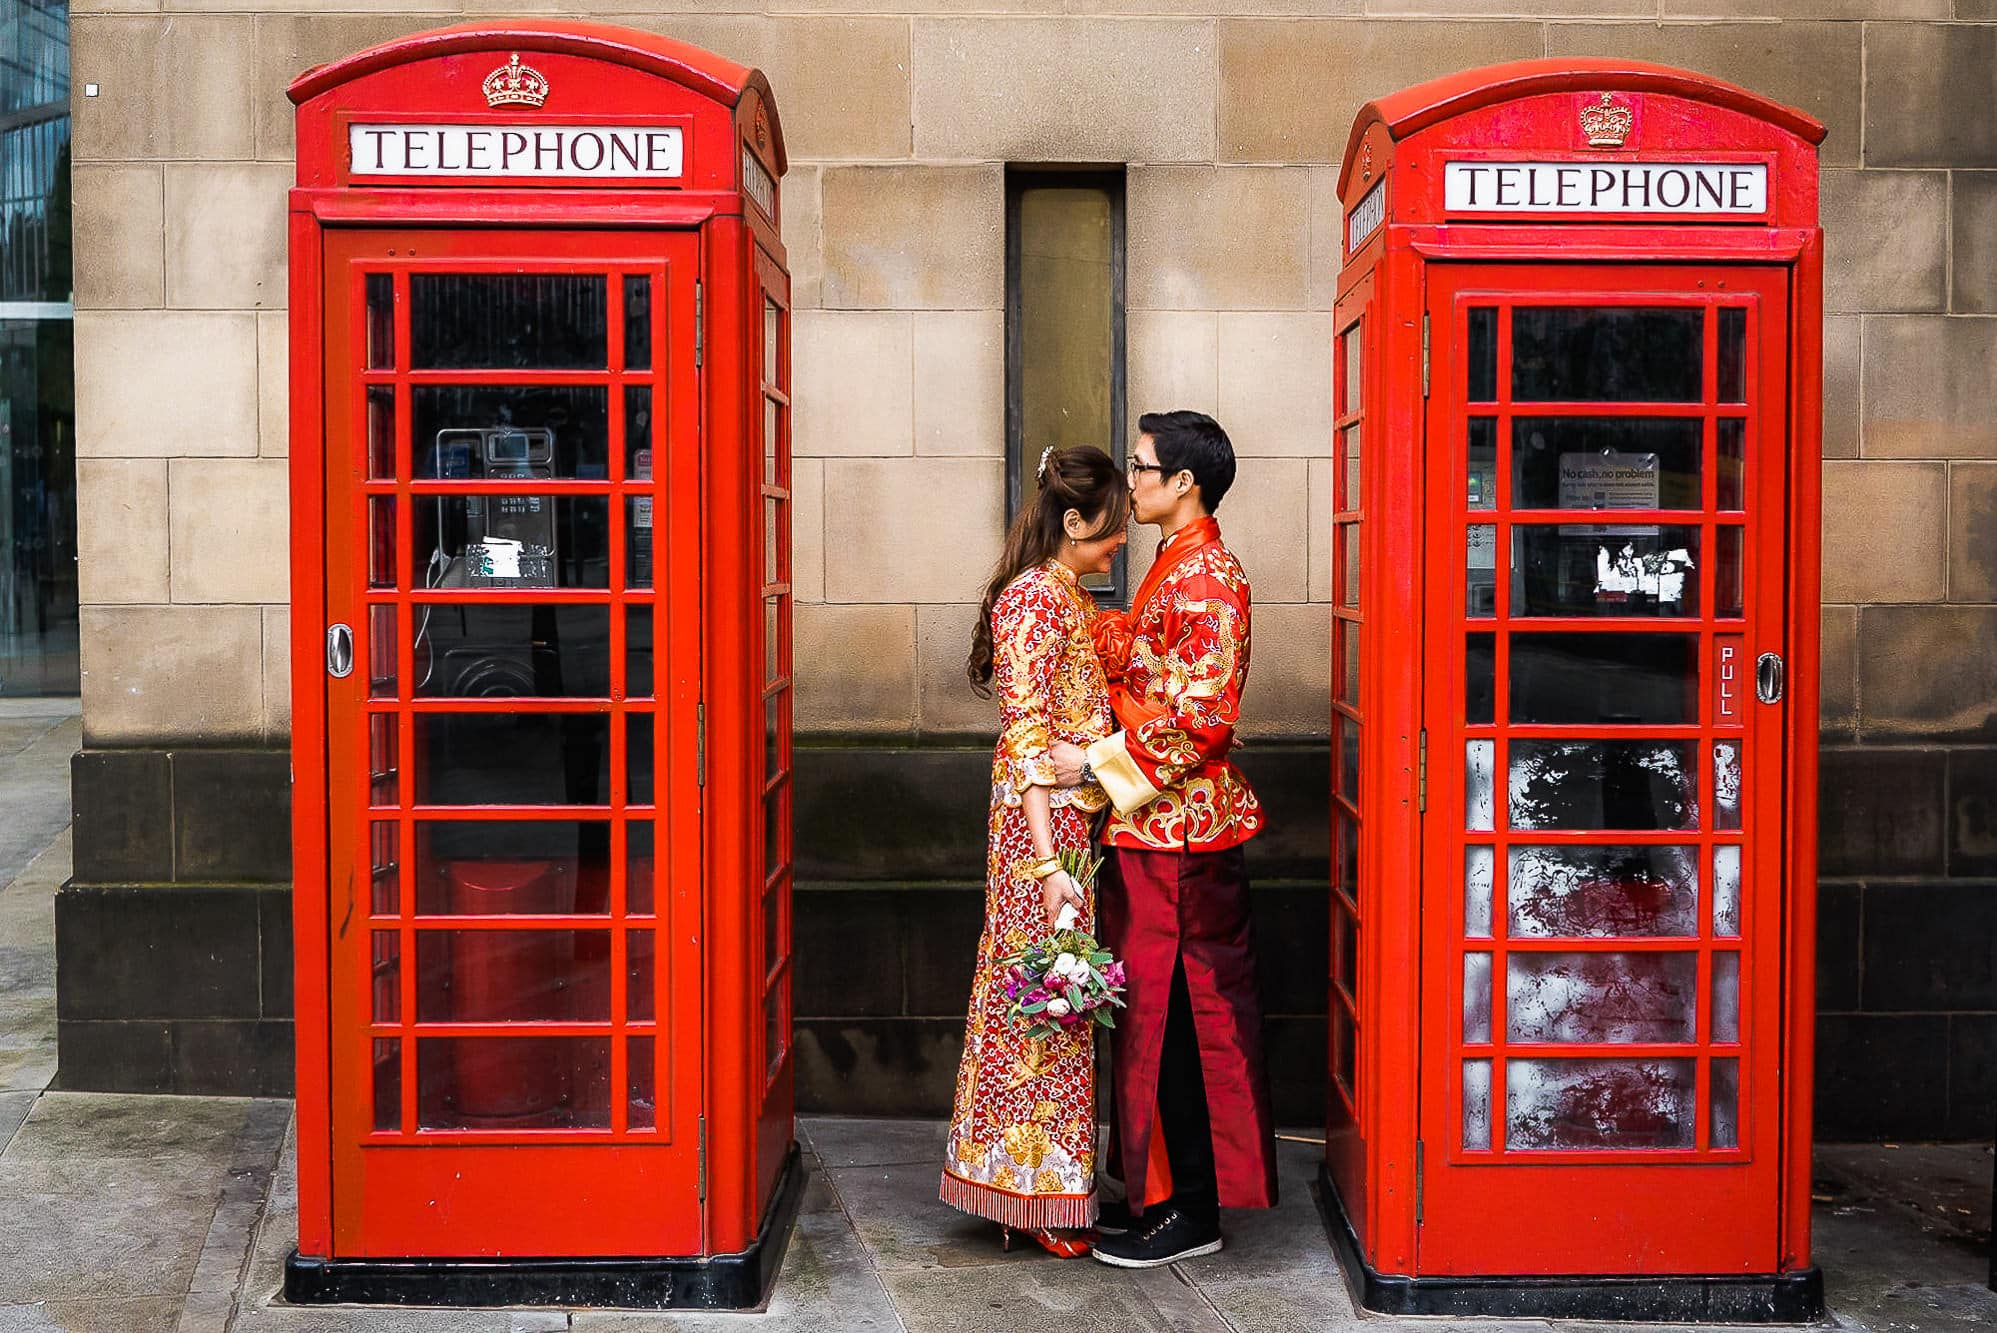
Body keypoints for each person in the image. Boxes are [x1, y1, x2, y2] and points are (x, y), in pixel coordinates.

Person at [1049, 410, 1278, 1268]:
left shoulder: (1210, 575)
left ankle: (1192, 1206)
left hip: (1183, 841)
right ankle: (1157, 1194)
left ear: (1184, 482)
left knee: (1188, 1019)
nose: (1131, 482)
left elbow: (1202, 720)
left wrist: (1091, 765)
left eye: (1141, 468)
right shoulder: (1172, 566)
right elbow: (1143, 657)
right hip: (1154, 833)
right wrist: (1061, 590)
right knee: (1152, 1015)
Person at [940, 445, 1130, 1257]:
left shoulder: (1064, 594)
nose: (1117, 543)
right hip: (1038, 832)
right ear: (1074, 520)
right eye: (1108, 531)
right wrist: (1050, 865)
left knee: (1055, 997)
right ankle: (1028, 1193)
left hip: (1069, 821)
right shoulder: (1033, 602)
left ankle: (1039, 1181)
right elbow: (1024, 738)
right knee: (1044, 999)